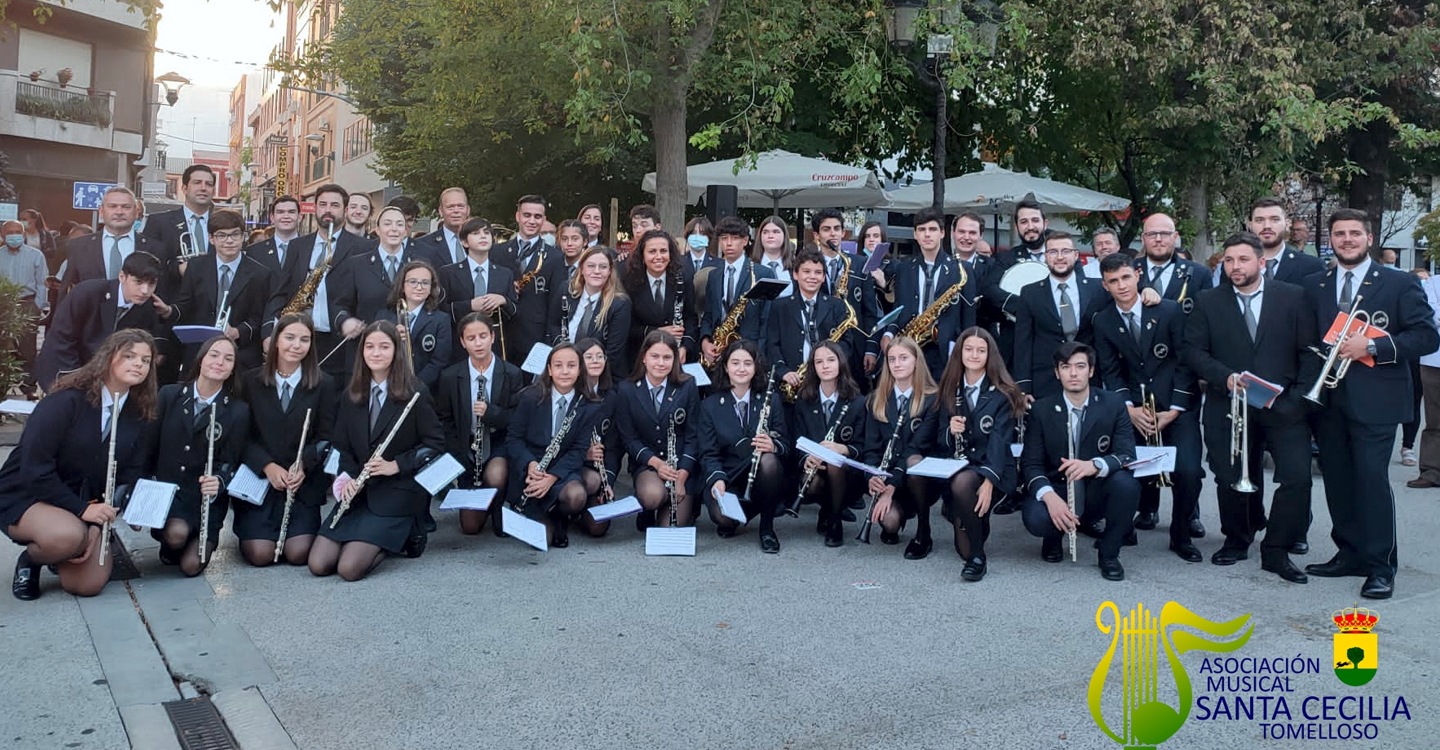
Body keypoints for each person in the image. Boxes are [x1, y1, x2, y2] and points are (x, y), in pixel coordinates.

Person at [1301, 209, 1438, 600]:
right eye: (1339, 234)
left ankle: (1381, 566)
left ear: (1369, 237)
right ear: (1330, 239)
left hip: (1377, 401)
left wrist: (1373, 345)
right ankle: (1349, 554)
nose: (1346, 240)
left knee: (1372, 482)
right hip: (1328, 399)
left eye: (1354, 233)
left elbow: (1427, 337)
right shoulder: (1316, 283)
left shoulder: (1397, 283)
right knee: (1339, 482)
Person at [1183, 232, 1319, 583]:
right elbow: (1194, 352)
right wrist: (1225, 377)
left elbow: (1309, 352)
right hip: (1228, 405)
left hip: (1283, 405)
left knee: (1297, 477)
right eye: (1228, 260)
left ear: (1261, 262)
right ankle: (1238, 538)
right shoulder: (1206, 300)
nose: (1235, 267)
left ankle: (1277, 549)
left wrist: (1297, 399)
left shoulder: (1294, 297)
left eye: (1243, 259)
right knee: (1230, 477)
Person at [4, 329, 157, 600]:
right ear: (109, 357)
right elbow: (33, 470)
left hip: (85, 501)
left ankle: (65, 549)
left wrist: (104, 519)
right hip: (29, 493)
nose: (138, 364)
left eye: (145, 360)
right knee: (67, 537)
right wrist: (82, 511)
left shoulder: (137, 412)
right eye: (130, 356)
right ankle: (32, 559)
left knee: (87, 585)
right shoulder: (66, 401)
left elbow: (130, 472)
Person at [311, 322, 444, 580]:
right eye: (370, 346)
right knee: (319, 564)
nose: (376, 353)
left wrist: (396, 465)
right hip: (359, 494)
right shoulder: (352, 395)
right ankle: (371, 539)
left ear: (397, 351)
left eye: (384, 346)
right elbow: (341, 446)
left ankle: (404, 535)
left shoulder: (415, 392)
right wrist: (345, 478)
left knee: (348, 569)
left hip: (395, 494)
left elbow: (435, 444)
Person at [1092, 254, 1203, 561]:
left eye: (1126, 278)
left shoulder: (1169, 310)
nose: (1121, 286)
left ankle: (1180, 536)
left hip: (1176, 407)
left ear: (1138, 276)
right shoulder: (1103, 321)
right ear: (1105, 285)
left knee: (1190, 471)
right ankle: (1122, 528)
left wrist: (1176, 408)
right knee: (1125, 472)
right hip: (1133, 412)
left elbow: (1185, 361)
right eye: (1113, 281)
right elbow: (1110, 370)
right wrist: (1128, 409)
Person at [1020, 342, 1139, 580]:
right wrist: (1050, 498)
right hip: (1059, 487)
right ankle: (1053, 536)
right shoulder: (1041, 410)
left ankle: (1109, 553)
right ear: (1057, 372)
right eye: (1066, 367)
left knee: (1127, 484)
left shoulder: (1113, 404)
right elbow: (1031, 465)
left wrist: (1093, 465)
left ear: (1091, 371)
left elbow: (1127, 454)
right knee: (1037, 518)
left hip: (1094, 486)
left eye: (1080, 366)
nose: (1073, 373)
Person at [919, 328, 1025, 580]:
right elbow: (939, 438)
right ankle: (962, 512)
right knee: (960, 547)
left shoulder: (1003, 394)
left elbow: (1000, 442)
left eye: (981, 350)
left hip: (993, 469)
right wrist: (950, 431)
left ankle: (979, 557)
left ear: (990, 355)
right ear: (959, 353)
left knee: (969, 548)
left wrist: (989, 482)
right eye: (969, 349)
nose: (974, 355)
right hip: (958, 467)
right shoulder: (948, 389)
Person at [234, 313, 335, 566]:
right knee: (261, 555)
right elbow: (240, 437)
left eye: (304, 340)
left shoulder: (324, 384)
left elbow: (328, 436)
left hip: (301, 483)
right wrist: (267, 466)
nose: (296, 345)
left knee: (299, 553)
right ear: (276, 340)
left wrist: (305, 464)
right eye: (289, 337)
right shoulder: (250, 381)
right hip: (259, 481)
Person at [148, 336, 250, 576]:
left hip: (205, 501)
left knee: (192, 566)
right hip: (171, 493)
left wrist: (220, 481)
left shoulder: (237, 410)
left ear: (233, 368)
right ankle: (171, 544)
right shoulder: (169, 395)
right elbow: (149, 446)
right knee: (176, 535)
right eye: (214, 355)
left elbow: (232, 460)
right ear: (201, 359)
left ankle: (192, 542)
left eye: (228, 358)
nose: (219, 362)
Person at [261, 185, 378, 364]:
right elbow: (280, 292)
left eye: (335, 205)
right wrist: (268, 330)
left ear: (345, 210)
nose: (328, 210)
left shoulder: (364, 247)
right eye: (322, 204)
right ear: (315, 208)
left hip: (341, 340)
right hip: (299, 338)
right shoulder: (297, 246)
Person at [503, 343, 602, 548]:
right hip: (533, 468)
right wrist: (529, 464)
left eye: (571, 365)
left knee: (576, 496)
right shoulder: (531, 397)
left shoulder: (588, 405)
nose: (565, 371)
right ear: (549, 369)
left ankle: (560, 516)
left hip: (562, 471)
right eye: (558, 365)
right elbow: (513, 439)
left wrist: (552, 477)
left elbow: (578, 451)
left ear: (579, 369)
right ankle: (542, 513)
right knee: (541, 542)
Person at [437, 314, 523, 537]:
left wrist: (491, 413)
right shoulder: (449, 376)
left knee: (496, 475)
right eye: (471, 338)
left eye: (483, 336)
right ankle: (481, 499)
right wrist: (458, 456)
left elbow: (517, 419)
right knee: (470, 527)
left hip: (498, 442)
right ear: (463, 342)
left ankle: (498, 509)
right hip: (467, 446)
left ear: (493, 337)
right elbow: (445, 420)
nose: (478, 343)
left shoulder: (511, 373)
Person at [698, 340, 788, 552]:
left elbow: (785, 443)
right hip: (728, 476)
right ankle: (741, 513)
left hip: (759, 476)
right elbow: (708, 453)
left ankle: (767, 528)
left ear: (756, 367)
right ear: (726, 367)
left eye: (747, 363)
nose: (741, 368)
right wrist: (717, 479)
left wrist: (773, 445)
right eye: (735, 363)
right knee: (723, 519)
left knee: (769, 460)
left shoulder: (771, 400)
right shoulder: (709, 405)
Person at [36, 251, 170, 390]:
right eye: (138, 282)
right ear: (122, 276)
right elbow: (61, 339)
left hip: (108, 381)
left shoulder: (149, 307)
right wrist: (75, 380)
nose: (145, 290)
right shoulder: (87, 293)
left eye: (152, 284)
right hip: (67, 369)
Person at [328, 206, 437, 374]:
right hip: (366, 350)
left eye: (399, 224)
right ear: (377, 230)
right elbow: (339, 304)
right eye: (388, 223)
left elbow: (433, 302)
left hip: (408, 353)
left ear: (406, 230)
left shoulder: (421, 262)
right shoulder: (356, 264)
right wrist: (345, 321)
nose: (394, 229)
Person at [167, 209, 276, 371]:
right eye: (221, 235)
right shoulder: (196, 267)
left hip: (241, 353)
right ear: (211, 239)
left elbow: (258, 317)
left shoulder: (260, 273)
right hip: (200, 352)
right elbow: (185, 305)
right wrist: (168, 310)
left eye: (235, 235)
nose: (229, 241)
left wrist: (237, 332)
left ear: (243, 237)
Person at [618, 331, 700, 530]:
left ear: (675, 360)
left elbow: (693, 436)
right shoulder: (627, 389)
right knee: (652, 496)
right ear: (644, 357)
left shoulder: (688, 385)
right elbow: (629, 439)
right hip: (648, 463)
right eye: (655, 356)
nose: (660, 363)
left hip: (681, 465)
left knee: (668, 529)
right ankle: (649, 505)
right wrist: (656, 463)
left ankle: (689, 504)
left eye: (667, 357)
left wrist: (681, 476)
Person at [862, 336, 939, 549]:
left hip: (919, 478)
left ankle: (924, 530)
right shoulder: (876, 400)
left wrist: (891, 487)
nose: (897, 364)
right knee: (890, 522)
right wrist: (872, 477)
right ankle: (902, 512)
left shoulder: (932, 399)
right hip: (889, 477)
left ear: (916, 361)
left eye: (904, 358)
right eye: (892, 359)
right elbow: (871, 449)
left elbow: (917, 448)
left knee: (914, 461)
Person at [880, 207, 972, 381]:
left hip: (945, 352)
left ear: (943, 233)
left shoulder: (960, 270)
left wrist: (962, 353)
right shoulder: (904, 268)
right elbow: (899, 310)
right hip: (911, 347)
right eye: (921, 230)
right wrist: (888, 334)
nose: (927, 235)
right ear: (915, 234)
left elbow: (968, 319)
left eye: (932, 229)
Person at [790, 342, 867, 546]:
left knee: (835, 461)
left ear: (841, 363)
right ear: (813, 367)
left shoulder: (857, 402)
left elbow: (864, 447)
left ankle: (834, 521)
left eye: (831, 360)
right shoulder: (804, 400)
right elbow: (796, 440)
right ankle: (827, 509)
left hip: (848, 473)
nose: (825, 366)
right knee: (813, 483)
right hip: (816, 470)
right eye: (819, 361)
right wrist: (806, 458)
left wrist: (844, 449)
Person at [1013, 231, 1103, 400]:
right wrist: (1023, 387)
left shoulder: (1097, 289)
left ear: (1076, 255)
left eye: (1065, 251)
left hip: (1089, 380)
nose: (1059, 257)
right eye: (1053, 252)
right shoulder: (1030, 293)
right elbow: (1022, 343)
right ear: (1045, 256)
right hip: (1045, 380)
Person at [768, 248, 855, 395]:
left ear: (823, 277)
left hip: (828, 383)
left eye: (818, 272)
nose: (812, 277)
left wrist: (831, 368)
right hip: (791, 382)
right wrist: (784, 372)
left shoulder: (837, 305)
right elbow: (772, 345)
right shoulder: (779, 306)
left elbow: (847, 343)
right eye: (806, 271)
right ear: (795, 274)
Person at [490, 195, 559, 367]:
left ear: (544, 219)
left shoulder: (555, 257)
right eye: (527, 215)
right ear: (517, 216)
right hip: (501, 334)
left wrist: (548, 341)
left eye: (537, 217)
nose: (531, 221)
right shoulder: (496, 252)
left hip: (534, 338)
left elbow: (555, 304)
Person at [814, 208, 882, 381]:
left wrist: (871, 349)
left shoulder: (860, 264)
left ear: (843, 233)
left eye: (837, 229)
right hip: (819, 345)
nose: (833, 234)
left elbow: (870, 312)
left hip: (855, 347)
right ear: (816, 235)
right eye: (826, 229)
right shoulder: (810, 265)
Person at [59, 186, 164, 297]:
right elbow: (66, 290)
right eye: (112, 206)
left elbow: (161, 291)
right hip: (90, 312)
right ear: (101, 211)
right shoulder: (79, 246)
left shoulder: (154, 248)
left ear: (136, 212)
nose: (119, 212)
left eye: (126, 207)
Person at [701, 217, 777, 365]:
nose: (728, 243)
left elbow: (767, 319)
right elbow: (708, 315)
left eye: (735, 238)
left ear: (745, 240)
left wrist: (757, 354)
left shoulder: (763, 273)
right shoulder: (713, 275)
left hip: (750, 352)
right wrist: (705, 342)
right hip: (719, 351)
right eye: (724, 238)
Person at [438, 217, 517, 359]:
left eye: (486, 233)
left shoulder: (505, 273)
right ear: (464, 241)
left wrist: (503, 300)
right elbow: (441, 310)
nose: (483, 236)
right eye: (475, 233)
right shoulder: (448, 273)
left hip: (495, 347)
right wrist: (469, 305)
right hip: (459, 347)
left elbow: (515, 312)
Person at [983, 197, 1049, 363]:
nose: (1030, 227)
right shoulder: (1005, 258)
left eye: (1035, 220)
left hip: (1053, 341)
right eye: (1024, 222)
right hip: (1016, 342)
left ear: (1045, 224)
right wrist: (1024, 306)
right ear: (1016, 226)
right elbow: (990, 290)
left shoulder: (1062, 255)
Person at [547, 245, 631, 371]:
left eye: (603, 267)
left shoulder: (620, 304)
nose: (596, 271)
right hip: (564, 366)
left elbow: (613, 352)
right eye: (591, 266)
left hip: (598, 373)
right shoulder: (566, 290)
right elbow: (553, 324)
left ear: (610, 271)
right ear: (582, 268)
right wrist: (561, 346)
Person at [622, 230, 697, 365]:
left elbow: (690, 317)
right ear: (642, 256)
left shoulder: (682, 277)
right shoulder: (629, 282)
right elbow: (627, 327)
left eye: (663, 251)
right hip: (641, 356)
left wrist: (685, 347)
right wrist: (656, 332)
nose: (658, 257)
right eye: (652, 252)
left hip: (676, 355)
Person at [142, 164, 216, 300]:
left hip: (212, 304)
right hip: (171, 304)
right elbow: (146, 266)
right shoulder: (159, 223)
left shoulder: (223, 224)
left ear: (213, 191)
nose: (203, 188)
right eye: (197, 183)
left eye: (209, 184)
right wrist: (177, 270)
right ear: (184, 189)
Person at [379, 260, 452, 393]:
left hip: (424, 389)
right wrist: (391, 337)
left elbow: (439, 362)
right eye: (413, 282)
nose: (419, 287)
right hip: (388, 386)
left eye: (425, 283)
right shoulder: (383, 317)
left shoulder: (441, 319)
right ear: (402, 286)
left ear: (431, 288)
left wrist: (415, 385)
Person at [575, 337, 620, 537]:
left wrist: (608, 480)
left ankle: (581, 511)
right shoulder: (570, 393)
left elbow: (613, 447)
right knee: (591, 482)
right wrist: (584, 454)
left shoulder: (611, 396)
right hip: (570, 467)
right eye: (589, 357)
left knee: (598, 528)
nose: (595, 361)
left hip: (597, 469)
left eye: (600, 356)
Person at [1, 220, 49, 394]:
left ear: (23, 235)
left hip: (27, 304)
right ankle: (5, 384)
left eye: (17, 232)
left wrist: (38, 306)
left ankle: (29, 385)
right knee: (4, 345)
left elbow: (42, 283)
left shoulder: (36, 255)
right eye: (9, 232)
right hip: (3, 306)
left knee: (27, 346)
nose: (14, 236)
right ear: (3, 236)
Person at [1134, 213, 1213, 312]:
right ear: (1143, 239)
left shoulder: (1199, 274)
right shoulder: (1129, 271)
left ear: (1175, 237)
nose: (1158, 239)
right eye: (1152, 234)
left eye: (1164, 234)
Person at [1245, 197, 1325, 285]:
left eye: (1275, 220)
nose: (1267, 226)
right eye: (1259, 220)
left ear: (1287, 224)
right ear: (1250, 225)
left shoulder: (1312, 267)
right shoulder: (1233, 267)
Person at [1408, 272, 1440, 488]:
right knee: (1434, 420)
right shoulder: (1432, 283)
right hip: (1434, 360)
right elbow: (1431, 315)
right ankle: (1431, 470)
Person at [244, 196, 303, 282]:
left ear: (300, 217)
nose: (286, 216)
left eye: (291, 212)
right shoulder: (254, 252)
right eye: (280, 212)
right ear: (272, 218)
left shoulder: (311, 249)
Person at [414, 187, 472, 268]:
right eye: (450, 207)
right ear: (441, 211)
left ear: (468, 210)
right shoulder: (423, 245)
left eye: (460, 206)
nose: (456, 211)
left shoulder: (479, 242)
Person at [752, 215, 795, 298]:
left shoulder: (795, 267)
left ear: (784, 236)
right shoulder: (749, 268)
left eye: (776, 232)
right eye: (765, 232)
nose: (770, 236)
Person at [550, 219, 589, 287]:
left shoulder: (590, 266)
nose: (569, 243)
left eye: (575, 239)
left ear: (585, 242)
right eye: (564, 239)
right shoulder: (553, 264)